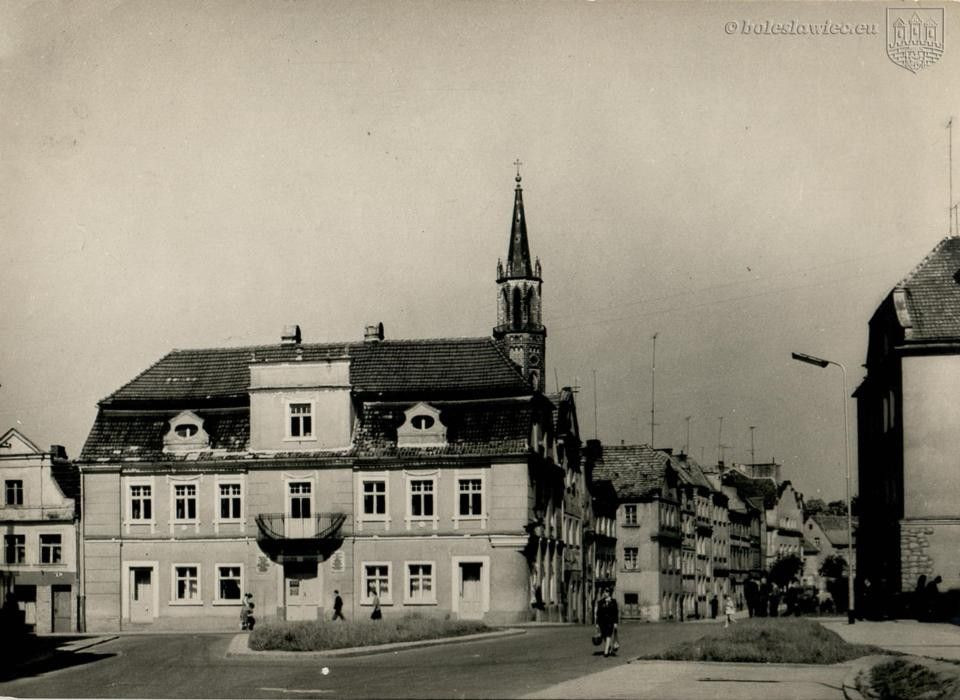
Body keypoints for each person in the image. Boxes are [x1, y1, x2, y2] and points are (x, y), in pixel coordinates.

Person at [595, 588, 619, 658]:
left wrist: (615, 622)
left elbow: (615, 613)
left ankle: (606, 652)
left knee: (608, 635)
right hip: (602, 622)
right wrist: (597, 624)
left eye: (607, 592)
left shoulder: (613, 602)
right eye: (605, 592)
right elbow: (598, 614)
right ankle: (608, 647)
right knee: (604, 636)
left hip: (610, 622)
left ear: (609, 593)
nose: (605, 593)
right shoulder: (600, 602)